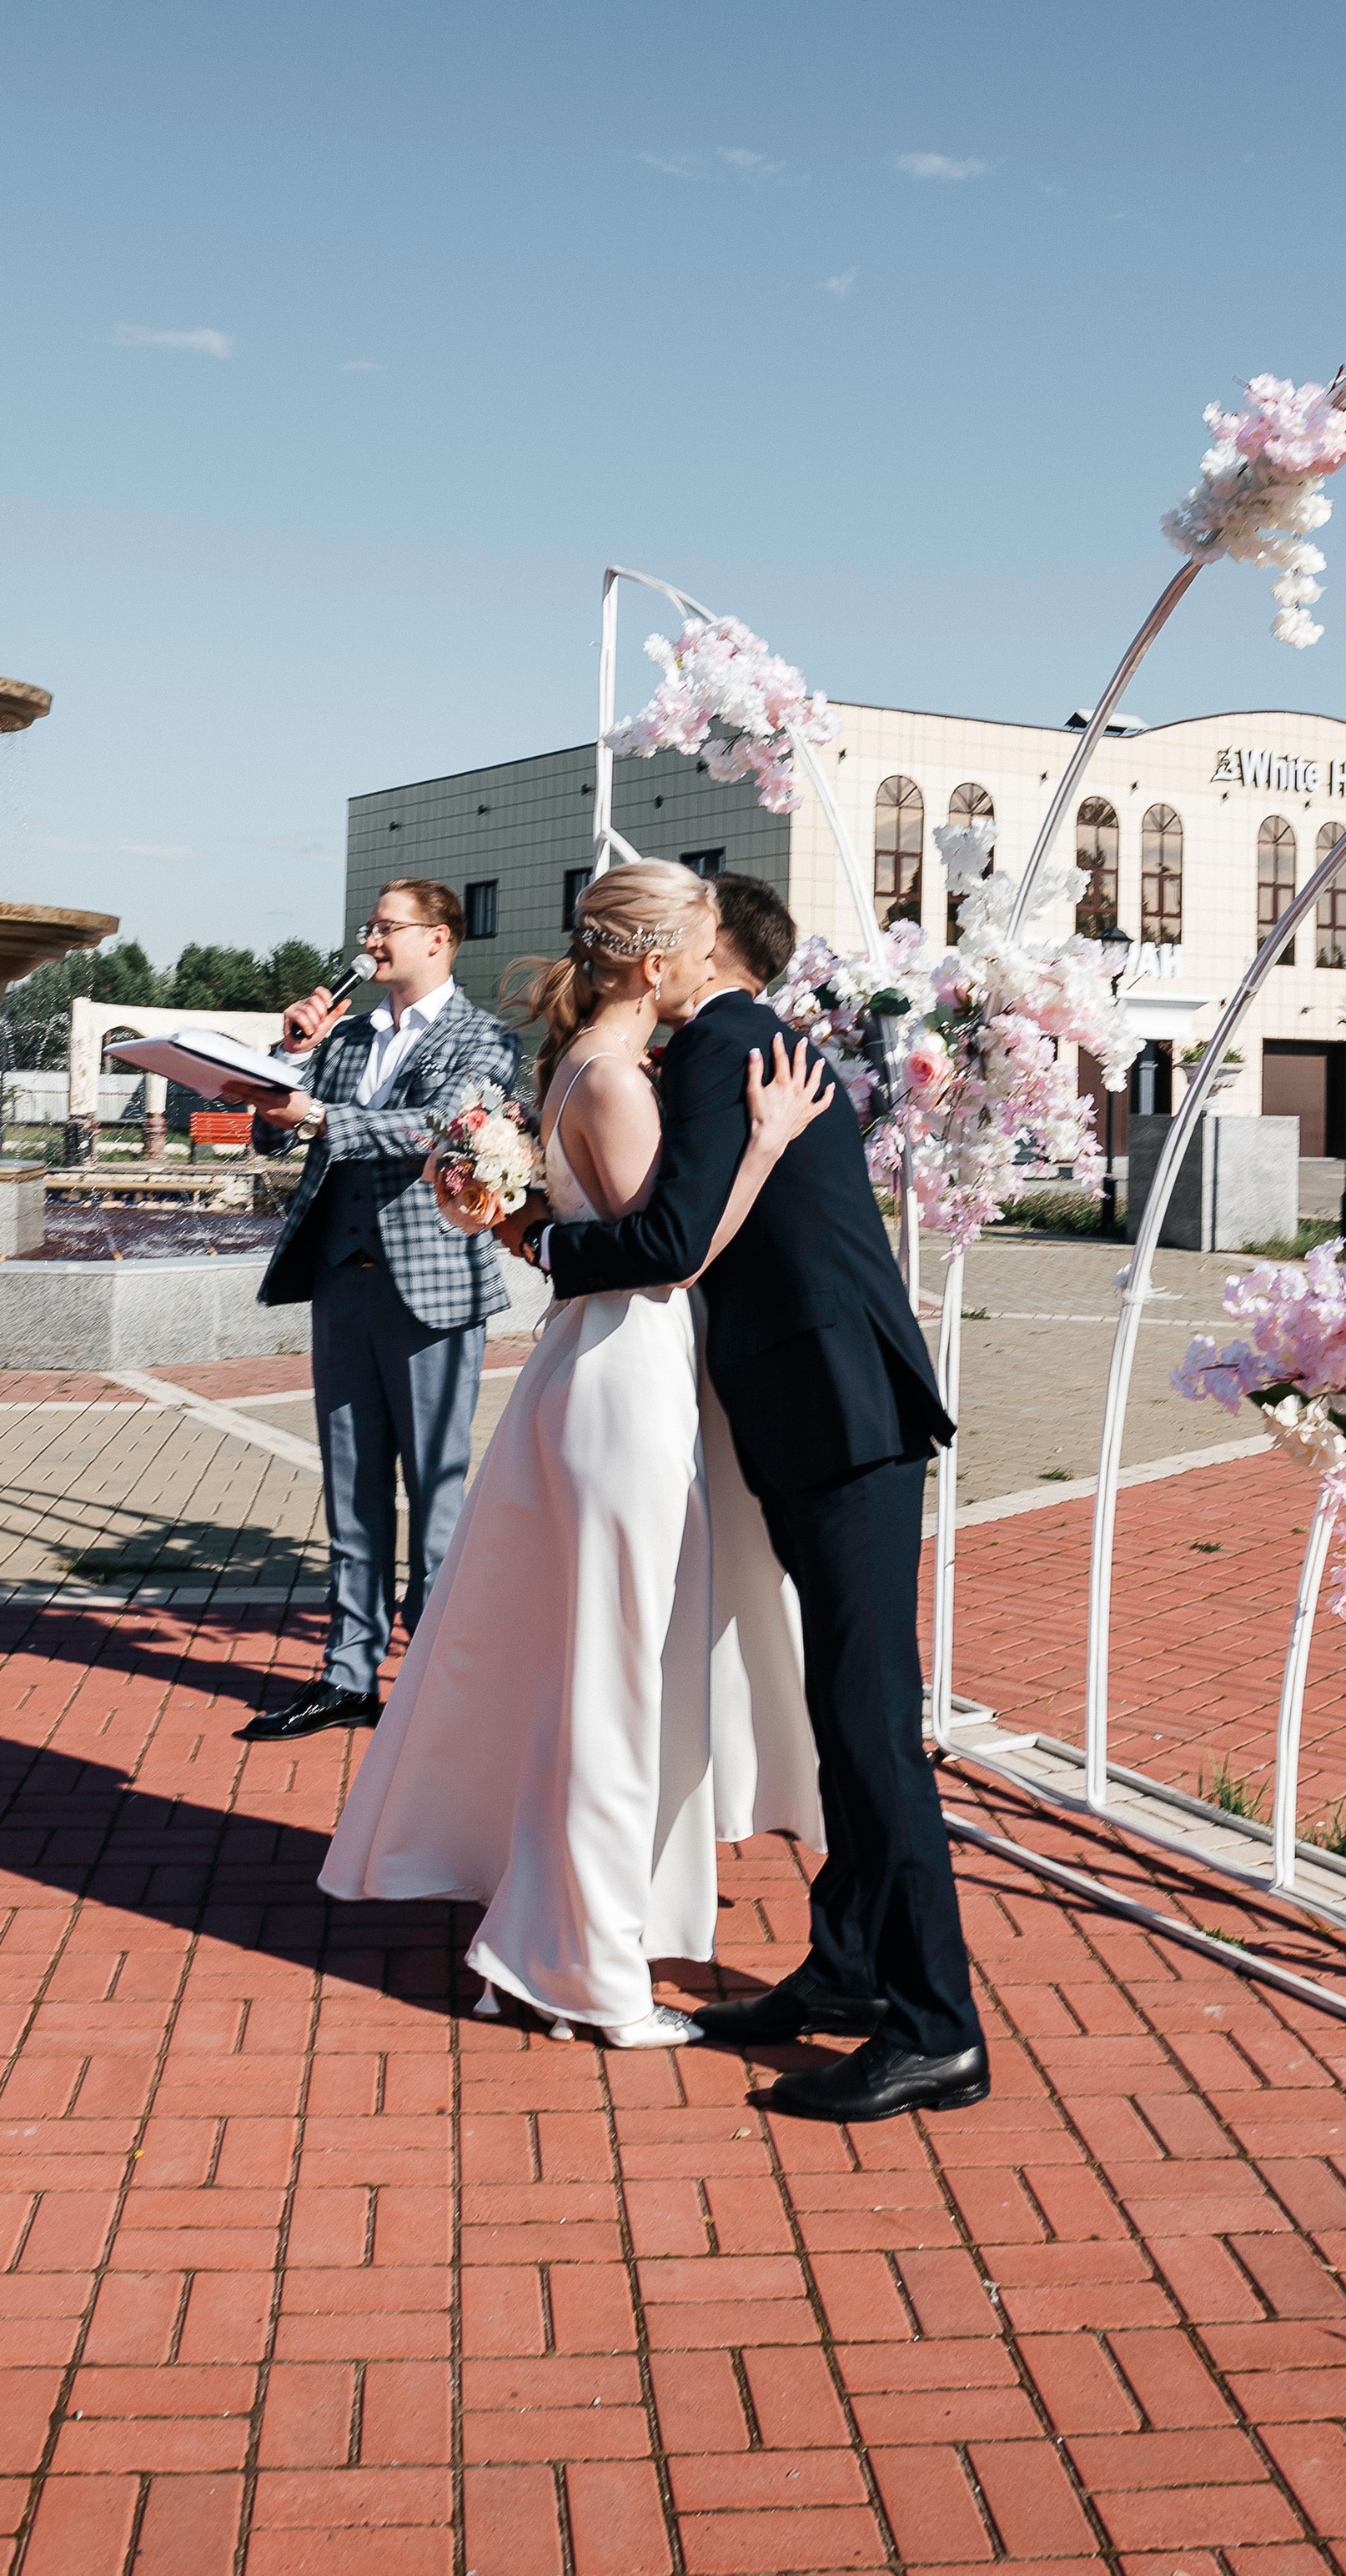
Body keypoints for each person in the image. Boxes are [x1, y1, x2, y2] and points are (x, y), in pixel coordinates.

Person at [486, 869, 990, 2123]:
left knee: (872, 1732)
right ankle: (852, 1971)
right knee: (839, 1717)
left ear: (686, 949)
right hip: (817, 1410)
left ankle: (939, 2031)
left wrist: (533, 1235)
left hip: (839, 1416)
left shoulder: (724, 1047)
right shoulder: (738, 1042)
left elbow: (669, 1246)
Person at [322, 861, 831, 2045]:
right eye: (699, 946)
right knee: (613, 1685)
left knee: (589, 1676)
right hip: (626, 1379)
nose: (710, 967)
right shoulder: (611, 1079)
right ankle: (587, 1976)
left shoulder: (579, 1068)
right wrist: (764, 1144)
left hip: (591, 1366)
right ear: (655, 963)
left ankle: (537, 1939)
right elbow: (675, 1251)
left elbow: (585, 1232)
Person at [231, 878, 523, 1742]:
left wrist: (319, 1111)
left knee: (434, 1494)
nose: (370, 941)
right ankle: (346, 1673)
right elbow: (273, 1133)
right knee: (351, 1489)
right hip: (344, 1278)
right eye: (368, 927)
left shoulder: (485, 1036)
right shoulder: (348, 1034)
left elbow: (441, 1123)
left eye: (386, 927)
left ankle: (440, 1678)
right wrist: (285, 1058)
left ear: (439, 939)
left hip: (433, 1286)